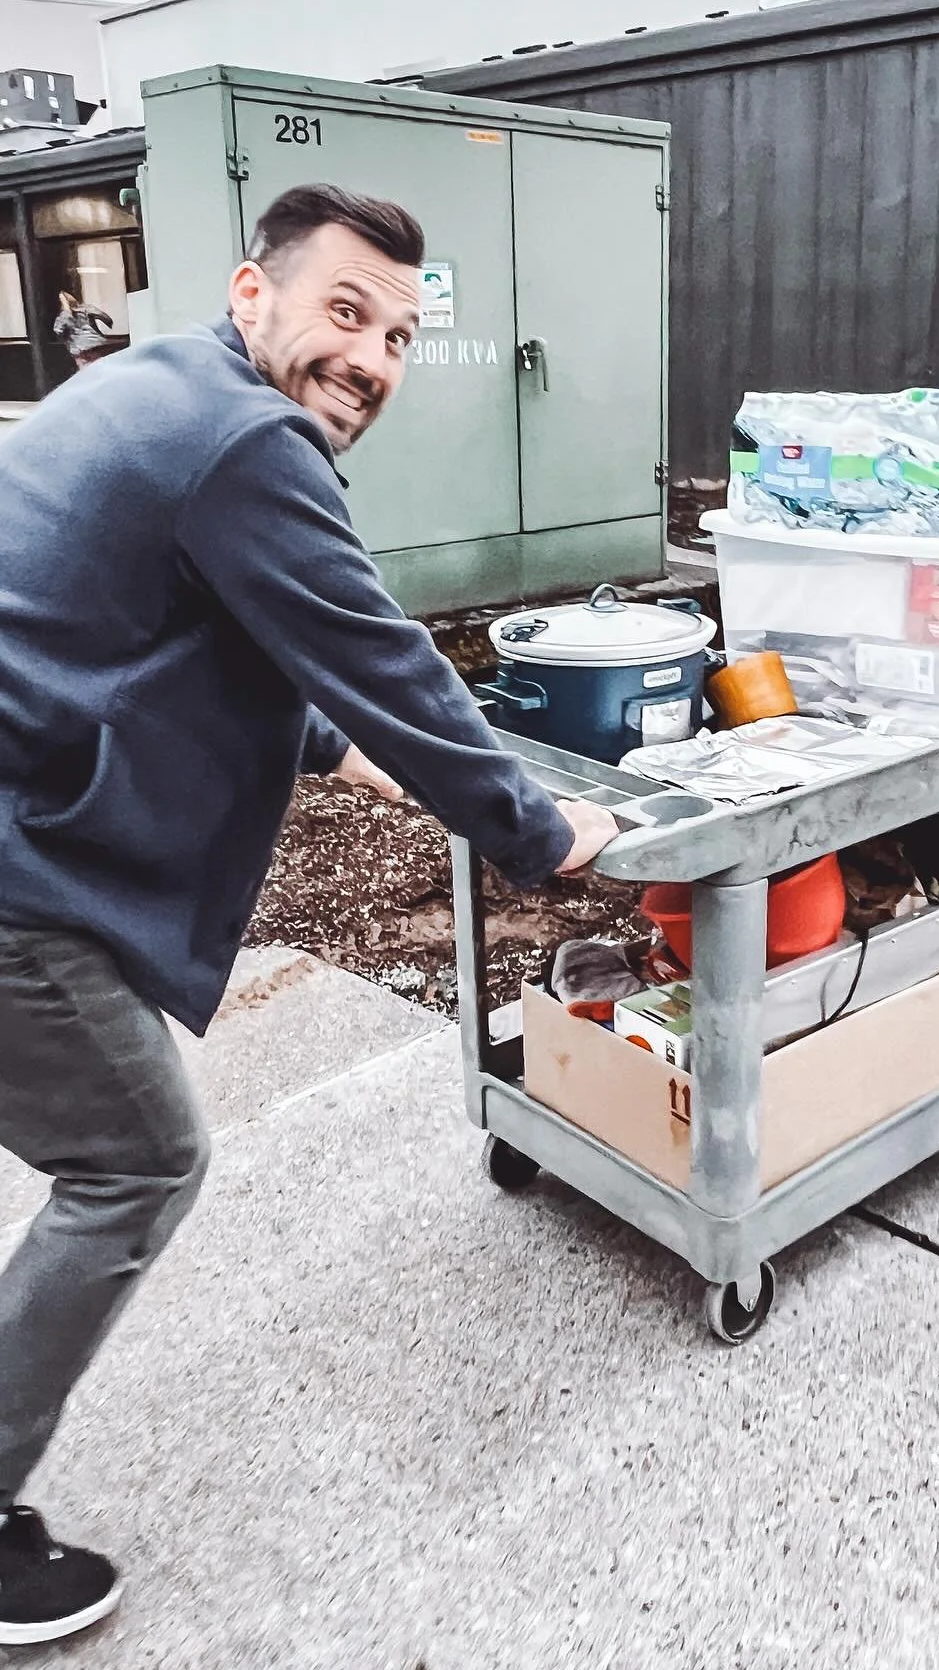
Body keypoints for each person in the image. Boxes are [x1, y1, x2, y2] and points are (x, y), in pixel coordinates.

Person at [0, 183, 619, 1644]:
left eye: (401, 334)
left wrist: (339, 756)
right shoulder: (243, 440)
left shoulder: (147, 387)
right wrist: (537, 831)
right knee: (134, 1162)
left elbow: (173, 629)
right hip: (17, 876)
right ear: (250, 293)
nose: (374, 360)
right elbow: (380, 653)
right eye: (347, 313)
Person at [53, 289, 116, 370]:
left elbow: (58, 331)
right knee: (102, 371)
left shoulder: (63, 316)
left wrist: (66, 309)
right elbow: (107, 319)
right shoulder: (87, 308)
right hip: (97, 346)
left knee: (87, 375)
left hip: (80, 351)